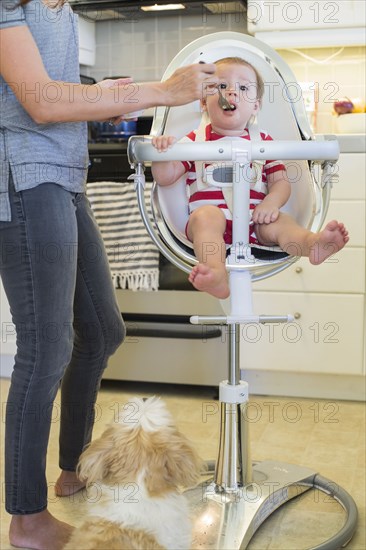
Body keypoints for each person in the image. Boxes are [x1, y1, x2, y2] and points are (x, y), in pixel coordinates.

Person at [0, 0, 218, 548]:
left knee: (100, 331)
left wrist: (108, 94)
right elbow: (42, 102)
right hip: (25, 177)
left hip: (63, 175)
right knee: (46, 348)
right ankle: (26, 518)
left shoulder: (57, 7)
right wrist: (161, 90)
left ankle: (73, 468)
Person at [151, 56, 349, 299]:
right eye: (221, 86)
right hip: (212, 223)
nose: (232, 92)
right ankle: (216, 273)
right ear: (204, 101)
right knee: (206, 217)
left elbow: (280, 182)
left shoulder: (264, 142)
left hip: (256, 222)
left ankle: (311, 244)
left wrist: (271, 203)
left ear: (256, 106)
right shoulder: (195, 140)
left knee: (281, 223)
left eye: (243, 88)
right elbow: (166, 177)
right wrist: (160, 154)